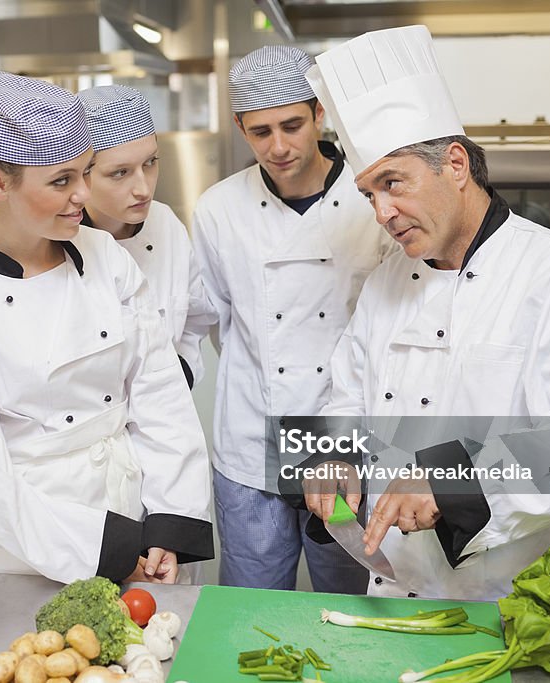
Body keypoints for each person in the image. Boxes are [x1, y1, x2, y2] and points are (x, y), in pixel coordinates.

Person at [304, 25, 550, 600]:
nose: (382, 212)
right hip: (400, 589)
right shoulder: (386, 283)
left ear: (455, 164)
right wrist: (329, 454)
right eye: (369, 194)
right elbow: (346, 395)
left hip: (520, 596)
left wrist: (451, 482)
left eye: (392, 183)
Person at [0, 72, 214, 585]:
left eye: (84, 173)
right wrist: (109, 550)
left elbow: (160, 394)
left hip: (140, 514)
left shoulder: (106, 257)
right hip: (32, 546)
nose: (82, 195)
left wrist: (167, 521)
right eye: (60, 181)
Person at [190, 45, 395, 591]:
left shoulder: (370, 197)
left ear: (319, 115)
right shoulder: (217, 208)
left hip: (344, 436)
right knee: (249, 608)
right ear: (240, 128)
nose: (278, 147)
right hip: (253, 433)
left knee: (352, 601)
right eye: (260, 132)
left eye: (292, 125)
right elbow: (217, 318)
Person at [77, 85, 217, 388]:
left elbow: (193, 319)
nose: (143, 188)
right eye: (120, 173)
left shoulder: (165, 222)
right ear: (81, 174)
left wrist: (181, 374)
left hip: (167, 418)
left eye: (150, 163)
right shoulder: (55, 242)